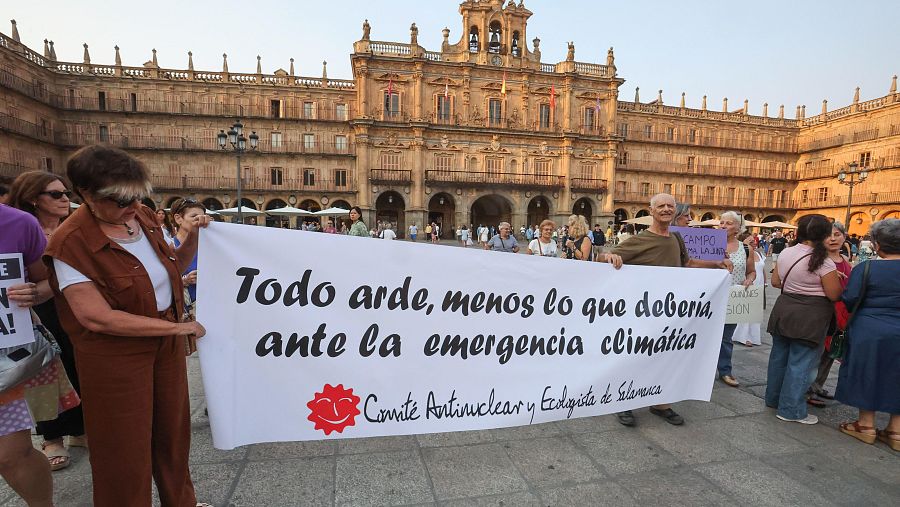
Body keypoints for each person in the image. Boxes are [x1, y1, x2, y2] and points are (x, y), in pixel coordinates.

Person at [43, 145, 210, 506]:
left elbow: (170, 270)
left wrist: (194, 236)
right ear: (85, 194)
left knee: (173, 436)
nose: (132, 207)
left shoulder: (144, 218)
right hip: (114, 357)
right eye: (120, 200)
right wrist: (177, 330)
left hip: (163, 346)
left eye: (138, 196)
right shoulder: (70, 243)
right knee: (123, 448)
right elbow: (95, 316)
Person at [596, 194, 732, 427]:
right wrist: (609, 256)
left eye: (670, 206)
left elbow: (688, 264)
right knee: (633, 357)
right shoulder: (639, 239)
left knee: (665, 357)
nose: (667, 209)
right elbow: (601, 258)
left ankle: (660, 404)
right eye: (661, 206)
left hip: (668, 311)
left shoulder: (677, 238)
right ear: (651, 210)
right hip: (641, 311)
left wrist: (717, 263)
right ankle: (623, 402)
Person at [0, 203, 80, 507]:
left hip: (6, 359)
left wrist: (36, 292)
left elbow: (50, 279)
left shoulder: (17, 223)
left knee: (10, 455)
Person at [7, 171, 87, 471]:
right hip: (39, 314)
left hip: (76, 307)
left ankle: (80, 430)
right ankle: (51, 437)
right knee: (43, 371)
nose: (66, 198)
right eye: (56, 194)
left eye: (66, 193)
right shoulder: (24, 230)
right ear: (32, 198)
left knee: (76, 367)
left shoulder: (73, 229)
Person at [765, 214, 841, 425]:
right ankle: (790, 410)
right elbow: (834, 294)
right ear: (824, 235)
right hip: (811, 316)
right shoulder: (824, 262)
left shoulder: (787, 252)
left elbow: (775, 282)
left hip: (784, 309)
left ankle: (773, 399)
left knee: (778, 358)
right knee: (801, 363)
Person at [834, 219, 900, 449]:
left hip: (870, 329)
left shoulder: (867, 268)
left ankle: (866, 425)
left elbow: (850, 299)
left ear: (878, 244)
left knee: (867, 371)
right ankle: (895, 431)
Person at [806, 221, 852, 407]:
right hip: (823, 311)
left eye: (837, 235)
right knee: (817, 353)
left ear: (844, 237)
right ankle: (808, 388)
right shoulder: (819, 260)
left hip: (841, 314)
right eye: (828, 235)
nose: (833, 239)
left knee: (831, 352)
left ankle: (818, 385)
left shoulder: (845, 261)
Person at [717, 212, 757, 387]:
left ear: (738, 228)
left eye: (728, 223)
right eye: (721, 222)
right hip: (711, 297)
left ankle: (725, 371)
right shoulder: (709, 245)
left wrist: (750, 279)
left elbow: (751, 271)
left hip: (733, 297)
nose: (723, 225)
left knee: (726, 338)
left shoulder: (746, 248)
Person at [171, 198, 206, 322]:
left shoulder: (207, 247)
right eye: (194, 216)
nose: (200, 220)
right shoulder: (169, 246)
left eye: (203, 217)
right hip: (182, 312)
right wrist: (185, 280)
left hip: (208, 308)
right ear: (178, 218)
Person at [733, 232, 766, 347]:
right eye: (750, 241)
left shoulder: (759, 254)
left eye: (754, 241)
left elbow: (761, 270)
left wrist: (765, 283)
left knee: (754, 313)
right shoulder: (742, 252)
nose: (754, 243)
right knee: (744, 312)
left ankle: (753, 336)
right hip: (746, 284)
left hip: (758, 284)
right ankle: (742, 336)